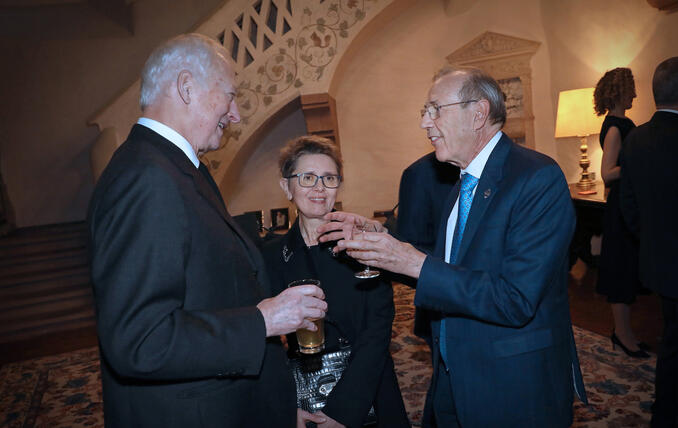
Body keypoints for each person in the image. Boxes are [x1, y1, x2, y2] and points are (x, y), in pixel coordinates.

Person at [319, 66, 587, 427]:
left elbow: (516, 300)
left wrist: (413, 262)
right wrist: (382, 237)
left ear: (477, 113)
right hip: (453, 373)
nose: (425, 124)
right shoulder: (462, 180)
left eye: (435, 109)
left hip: (512, 386)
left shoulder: (537, 178)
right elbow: (453, 266)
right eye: (424, 112)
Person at [88, 33, 328, 428]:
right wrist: (263, 321)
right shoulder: (148, 178)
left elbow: (210, 289)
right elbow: (140, 340)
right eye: (229, 96)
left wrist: (273, 409)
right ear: (186, 87)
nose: (234, 114)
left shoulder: (172, 167)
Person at [261, 135, 410, 428]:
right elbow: (265, 346)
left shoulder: (364, 246)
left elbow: (377, 332)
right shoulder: (269, 257)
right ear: (286, 187)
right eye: (307, 178)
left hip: (368, 392)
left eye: (329, 178)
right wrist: (286, 404)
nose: (319, 187)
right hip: (304, 398)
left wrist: (344, 411)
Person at [620, 56, 678, 428]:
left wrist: (654, 242)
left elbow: (628, 206)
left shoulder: (636, 138)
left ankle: (664, 411)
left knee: (672, 338)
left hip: (659, 261)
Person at [593, 67, 649, 358]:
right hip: (619, 209)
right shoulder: (615, 127)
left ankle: (626, 335)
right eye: (631, 88)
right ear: (619, 91)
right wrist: (638, 165)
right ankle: (623, 337)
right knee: (621, 272)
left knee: (627, 271)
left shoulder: (623, 123)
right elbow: (606, 173)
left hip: (626, 205)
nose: (635, 94)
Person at [397, 152, 459, 343]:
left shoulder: (517, 169)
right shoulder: (420, 174)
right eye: (424, 118)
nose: (426, 124)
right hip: (443, 311)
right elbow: (410, 247)